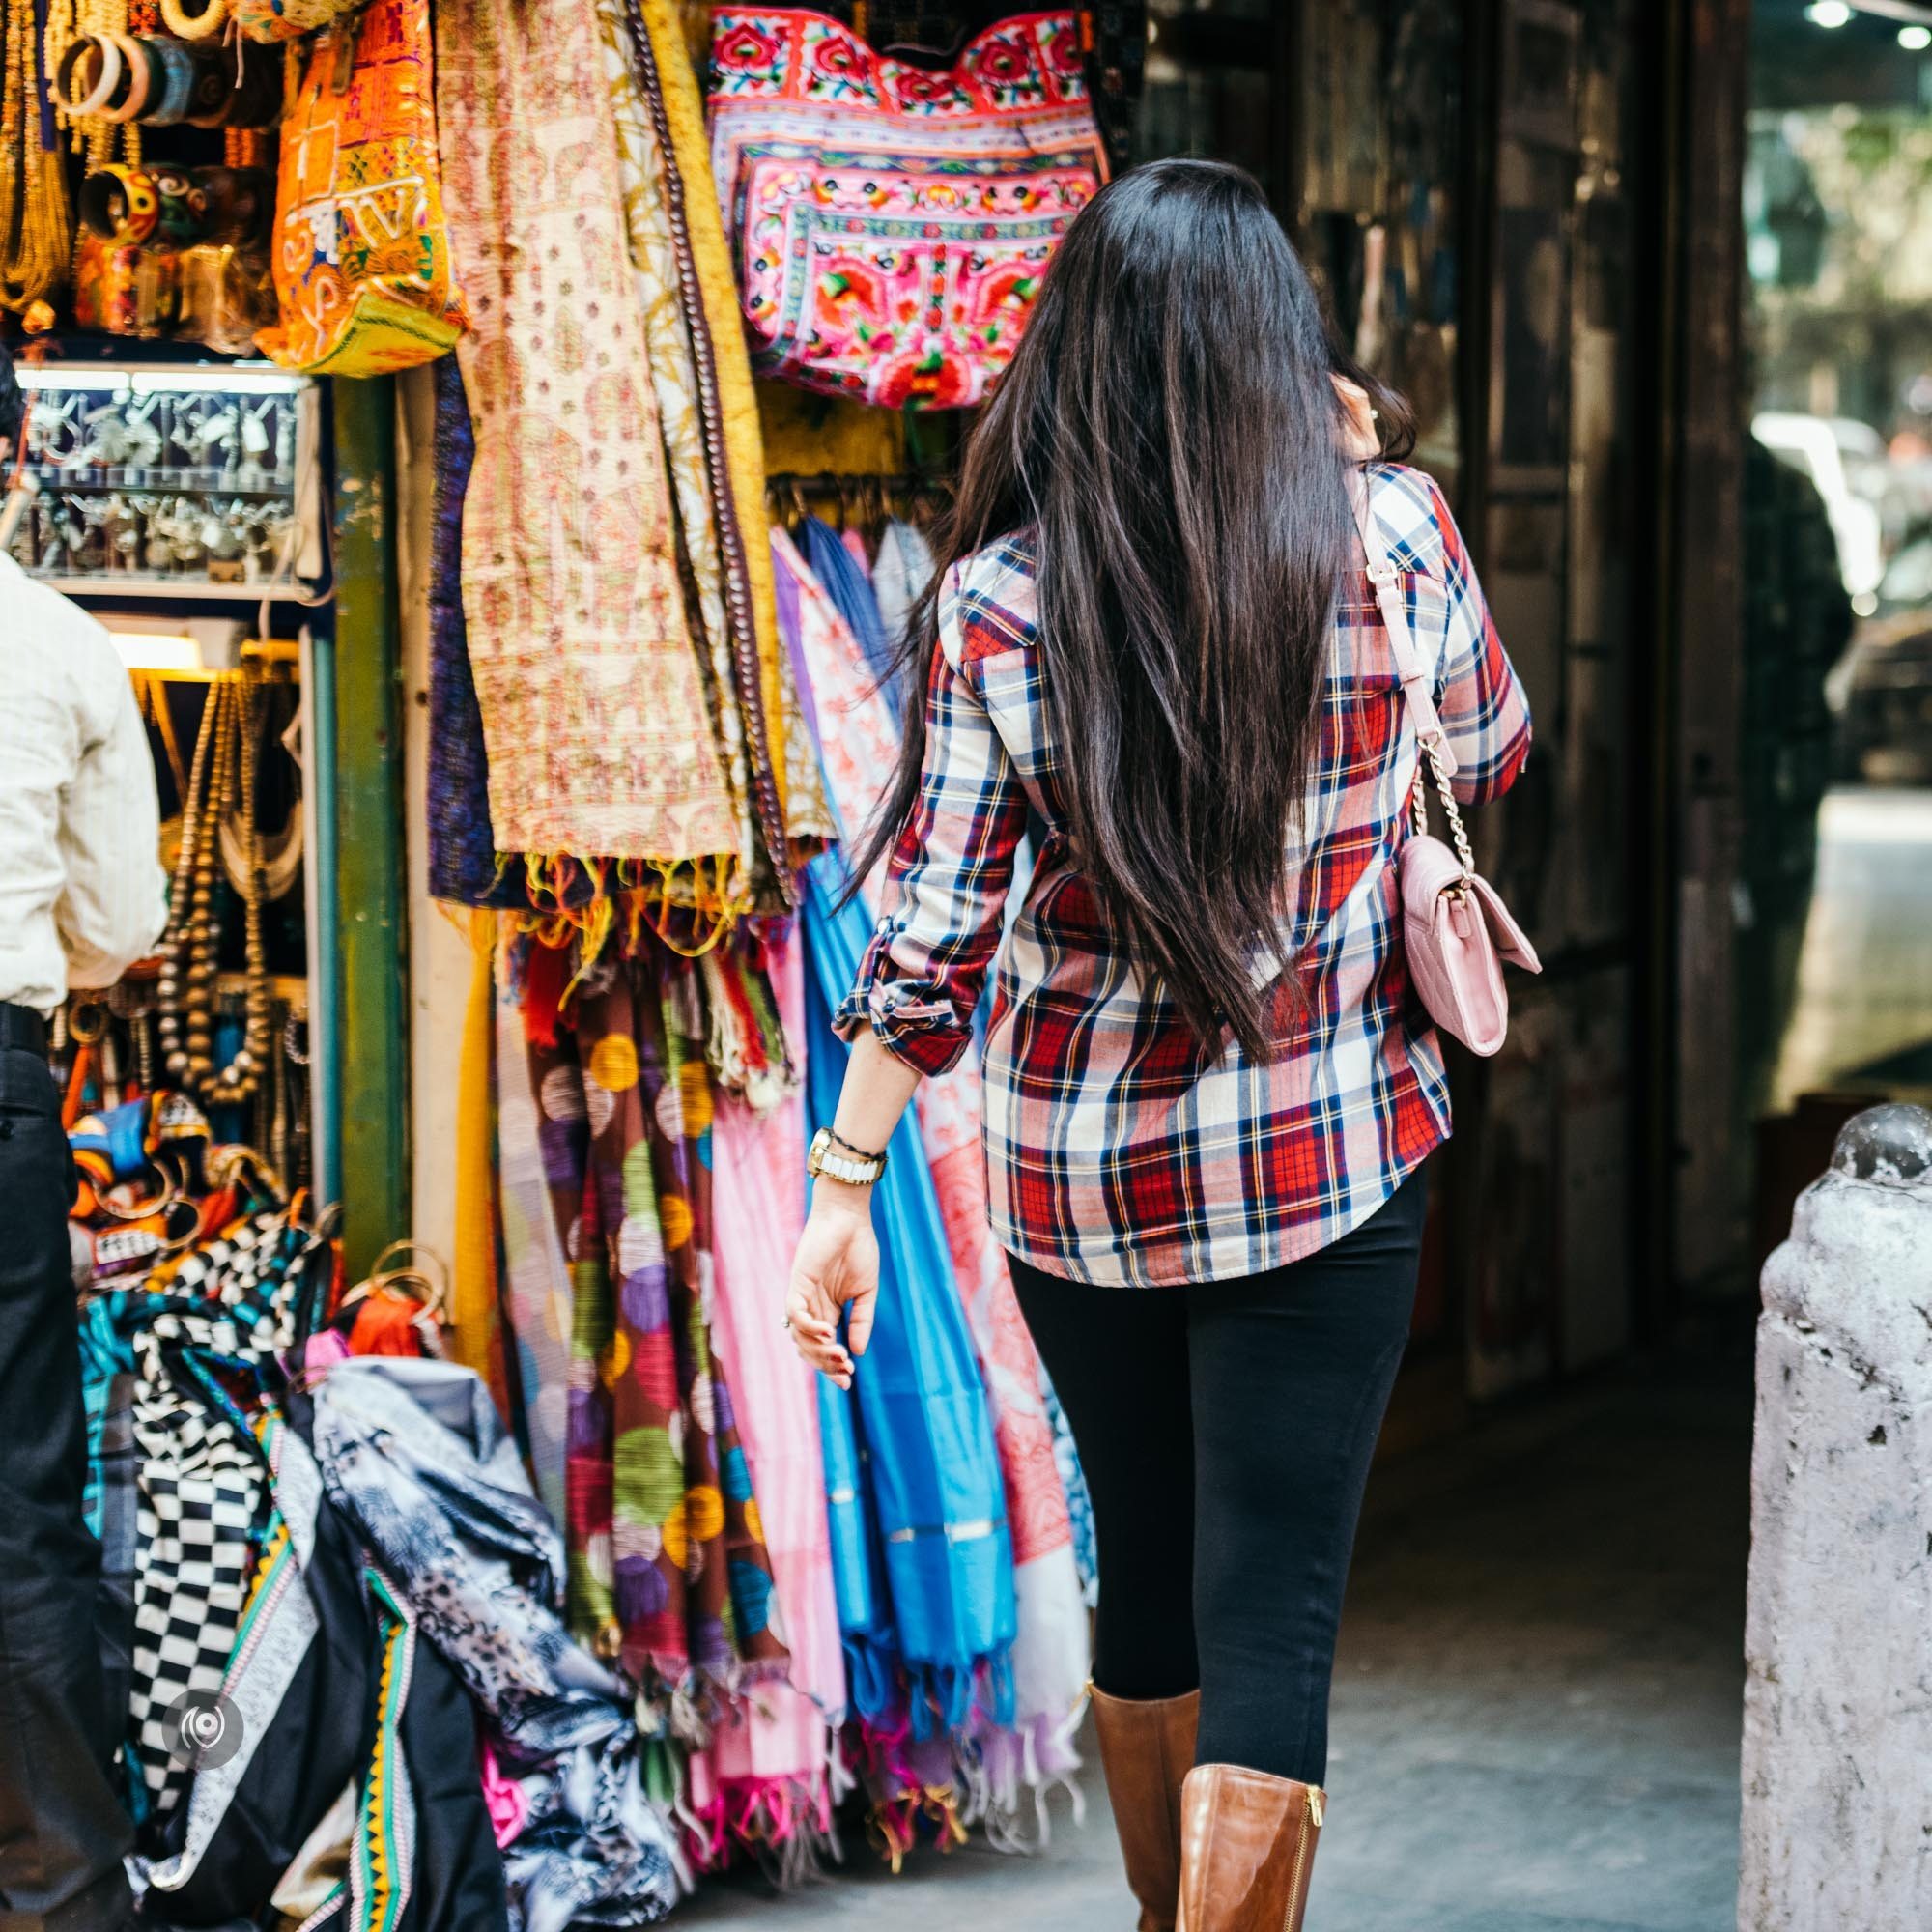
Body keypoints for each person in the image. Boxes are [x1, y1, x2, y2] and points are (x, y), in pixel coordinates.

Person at [784, 160, 1531, 1932]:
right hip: (1333, 1159)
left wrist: (839, 1188)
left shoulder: (1001, 604)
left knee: (1157, 1579)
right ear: (1282, 346)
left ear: (1081, 354)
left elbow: (935, 938)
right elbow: (1487, 748)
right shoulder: (1395, 533)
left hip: (1084, 1194)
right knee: (1275, 1602)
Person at [0, 339, 168, 1932]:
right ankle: (57, 1892)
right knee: (18, 1506)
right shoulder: (56, 645)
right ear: (13, 457)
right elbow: (121, 925)